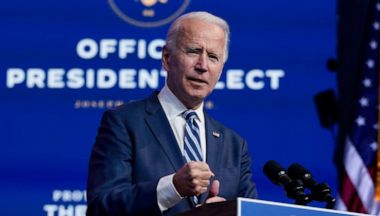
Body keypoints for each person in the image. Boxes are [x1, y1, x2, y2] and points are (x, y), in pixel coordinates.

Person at [86, 11, 257, 216]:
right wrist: (172, 188)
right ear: (167, 58)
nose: (202, 66)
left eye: (213, 57)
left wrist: (224, 211)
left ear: (220, 70)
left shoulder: (234, 145)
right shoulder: (124, 122)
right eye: (193, 51)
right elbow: (101, 208)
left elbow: (251, 211)